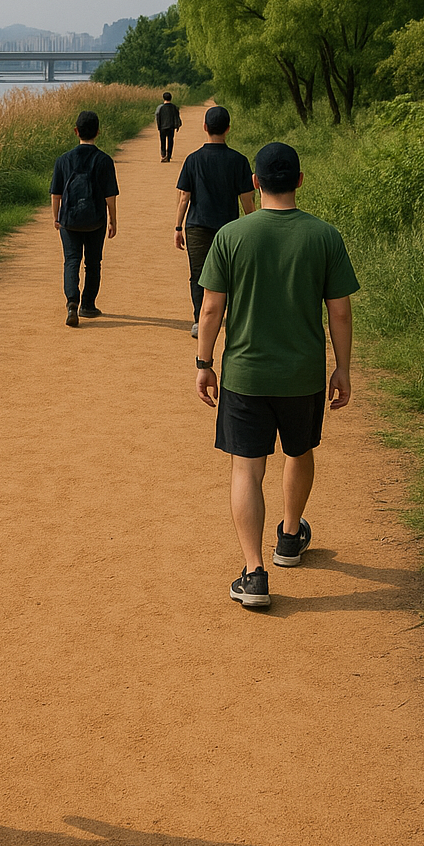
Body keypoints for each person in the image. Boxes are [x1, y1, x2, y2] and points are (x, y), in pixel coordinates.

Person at [194, 142, 359, 610]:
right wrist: (342, 368)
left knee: (247, 467)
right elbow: (340, 314)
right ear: (300, 181)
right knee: (299, 450)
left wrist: (204, 364)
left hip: (245, 375)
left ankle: (253, 573)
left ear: (255, 182)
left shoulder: (232, 235)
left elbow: (210, 308)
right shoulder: (324, 235)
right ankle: (289, 538)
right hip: (302, 374)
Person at [174, 104, 256, 337]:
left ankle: (201, 320)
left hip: (197, 225)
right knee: (229, 274)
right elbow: (247, 199)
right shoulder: (238, 161)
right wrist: (253, 225)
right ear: (228, 129)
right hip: (229, 227)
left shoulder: (193, 160)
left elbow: (184, 197)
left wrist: (178, 227)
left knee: (198, 274)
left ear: (205, 127)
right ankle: (227, 319)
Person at [50, 109, 119, 327]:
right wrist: (112, 220)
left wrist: (56, 217)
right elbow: (110, 195)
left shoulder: (63, 160)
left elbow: (56, 193)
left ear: (76, 131)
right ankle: (88, 305)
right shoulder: (104, 160)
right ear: (98, 132)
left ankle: (71, 302)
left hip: (69, 221)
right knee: (93, 263)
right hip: (95, 220)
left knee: (71, 261)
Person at [155, 92, 182, 162]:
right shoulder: (174, 107)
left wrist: (159, 126)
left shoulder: (160, 107)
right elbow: (177, 116)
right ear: (171, 98)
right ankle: (169, 156)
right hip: (171, 127)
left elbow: (157, 116)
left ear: (163, 98)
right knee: (170, 141)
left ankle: (163, 155)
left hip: (162, 127)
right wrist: (178, 125)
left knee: (162, 141)